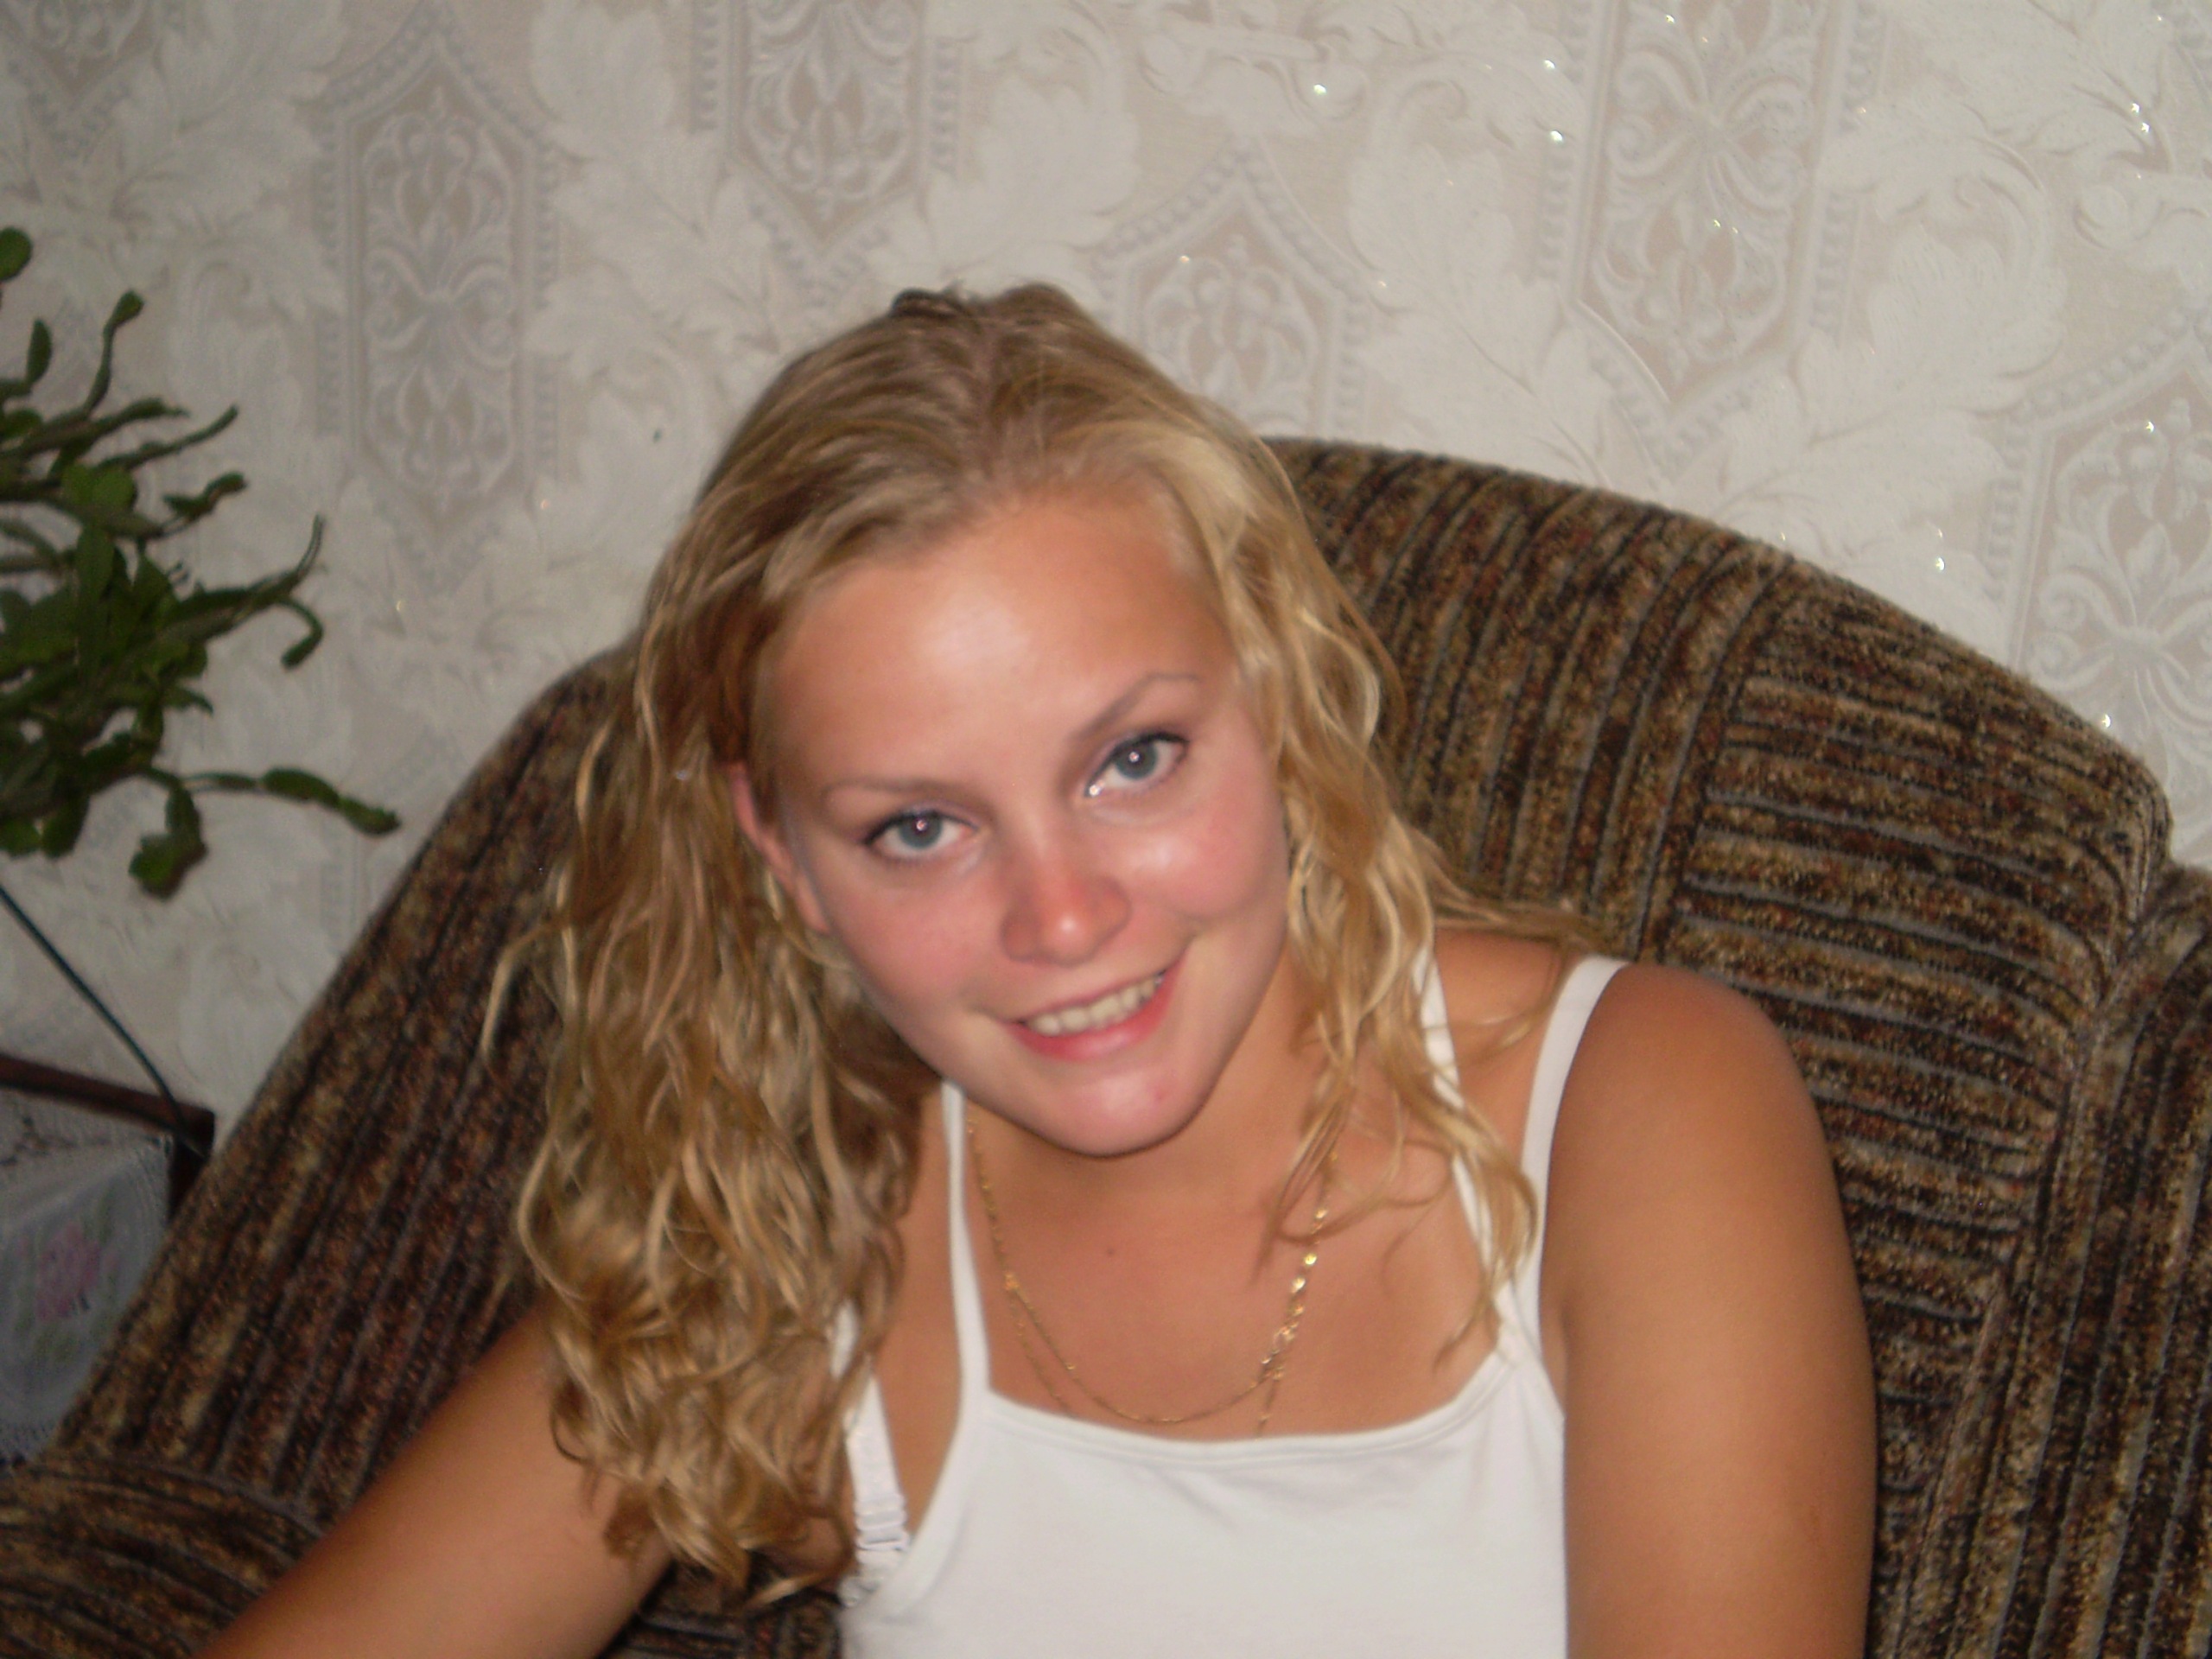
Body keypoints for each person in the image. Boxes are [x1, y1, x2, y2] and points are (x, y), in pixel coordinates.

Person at [202, 285, 1873, 1658]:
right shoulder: (810, 1228)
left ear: (1278, 698)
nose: (1062, 921)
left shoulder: (1633, 1110)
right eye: (920, 828)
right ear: (782, 859)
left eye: (1132, 760)